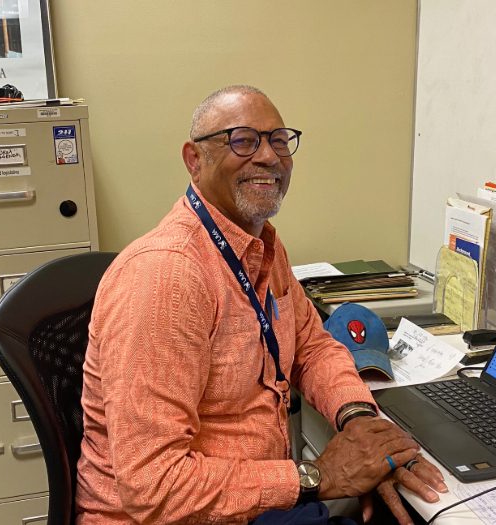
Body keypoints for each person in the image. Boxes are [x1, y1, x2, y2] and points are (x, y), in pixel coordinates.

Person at [75, 85, 447, 525]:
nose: (269, 157)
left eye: (278, 140)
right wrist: (317, 476)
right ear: (195, 160)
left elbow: (312, 346)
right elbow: (154, 487)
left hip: (257, 507)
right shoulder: (166, 276)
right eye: (243, 140)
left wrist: (360, 419)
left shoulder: (262, 245)